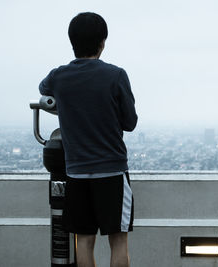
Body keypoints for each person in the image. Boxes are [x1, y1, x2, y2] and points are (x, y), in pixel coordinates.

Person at [39, 12, 138, 267]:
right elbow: (130, 122)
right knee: (118, 240)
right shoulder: (116, 76)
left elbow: (44, 88)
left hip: (77, 172)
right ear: (102, 42)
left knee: (83, 240)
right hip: (112, 172)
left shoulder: (59, 76)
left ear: (72, 43)